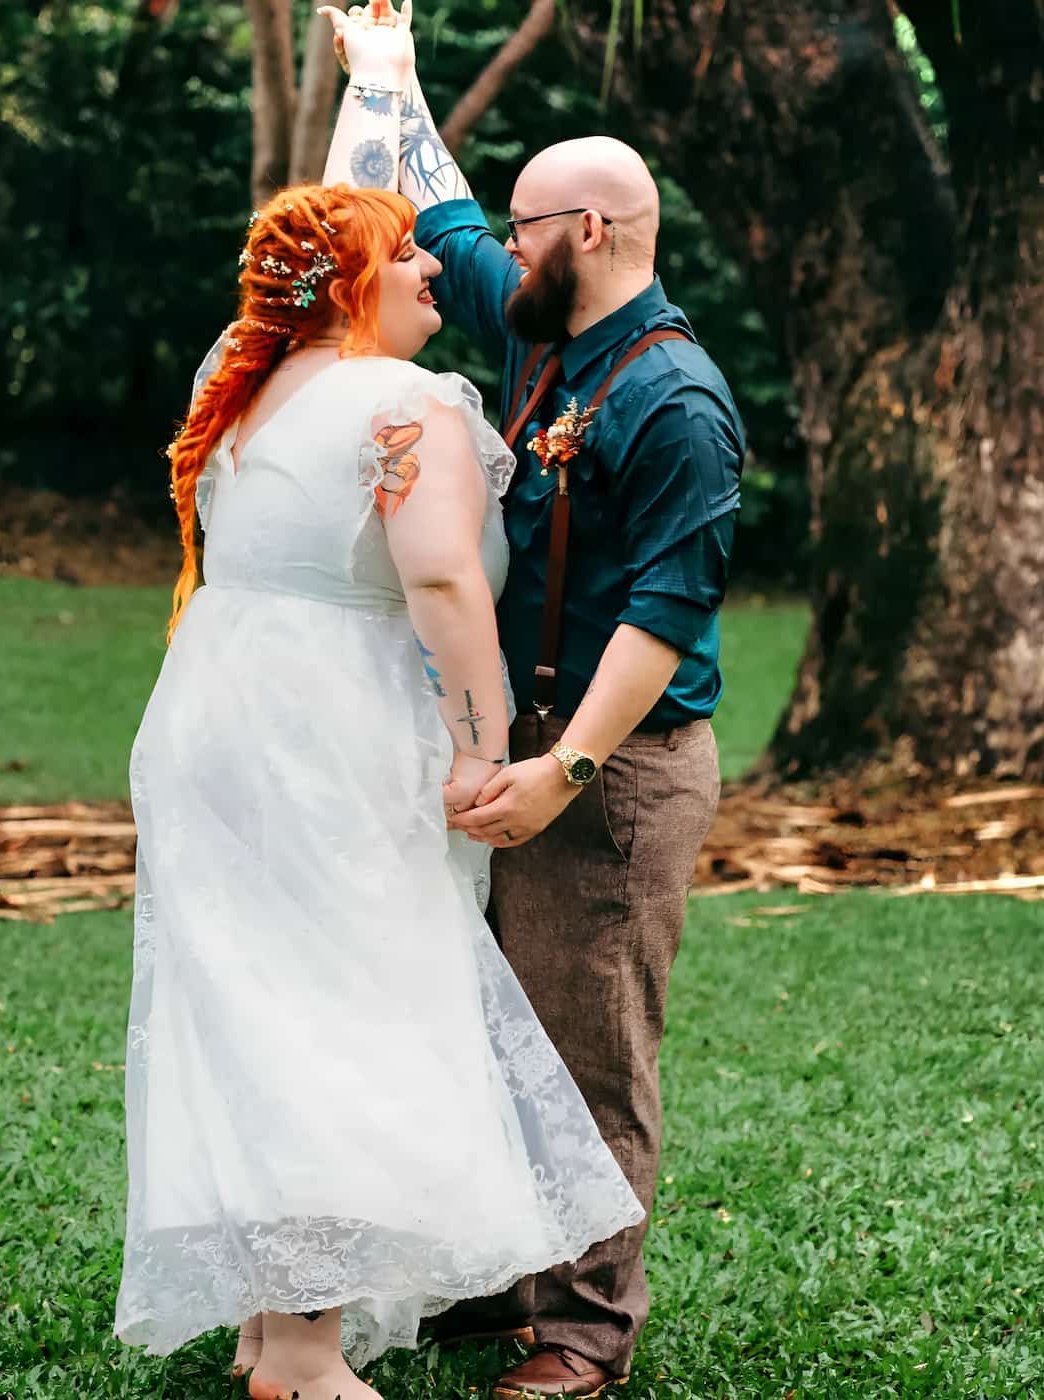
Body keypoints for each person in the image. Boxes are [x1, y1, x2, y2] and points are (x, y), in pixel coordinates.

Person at [111, 8, 644, 1399]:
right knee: (337, 1011)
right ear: (354, 285)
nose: (431, 270)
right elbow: (445, 589)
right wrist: (483, 747)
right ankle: (300, 1350)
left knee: (237, 1004)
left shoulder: (242, 390)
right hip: (330, 728)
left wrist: (382, 84)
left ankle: (261, 1319)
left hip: (210, 710)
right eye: (405, 255)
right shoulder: (411, 404)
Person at [324, 8, 744, 1398]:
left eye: (525, 228)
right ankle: (513, 1274)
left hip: (616, 770)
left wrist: (561, 769)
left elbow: (665, 615)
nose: (498, 247)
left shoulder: (676, 400)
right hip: (528, 758)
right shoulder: (540, 328)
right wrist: (389, 79)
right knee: (503, 1033)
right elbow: (432, 201)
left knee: (590, 1049)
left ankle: (583, 1331)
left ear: (601, 232)